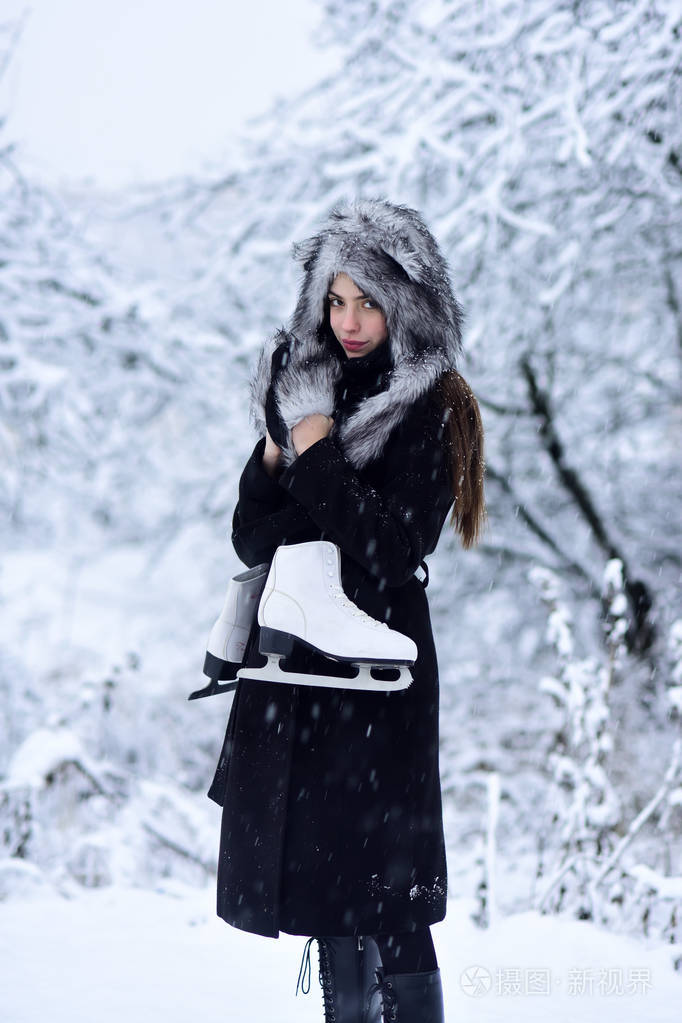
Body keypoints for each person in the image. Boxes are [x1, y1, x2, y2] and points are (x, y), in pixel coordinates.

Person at [206, 198, 486, 1023]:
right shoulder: (308, 389)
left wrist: (319, 448)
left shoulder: (434, 404)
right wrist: (275, 451)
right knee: (330, 899)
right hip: (302, 670)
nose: (350, 320)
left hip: (378, 673)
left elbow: (393, 550)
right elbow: (253, 537)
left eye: (368, 300)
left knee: (390, 898)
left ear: (408, 303)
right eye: (336, 300)